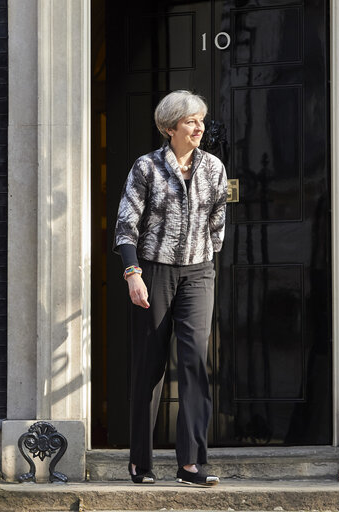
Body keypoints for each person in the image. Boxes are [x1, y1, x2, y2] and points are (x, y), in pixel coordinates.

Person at [113, 90, 228, 486]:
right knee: (150, 365)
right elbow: (126, 225)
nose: (199, 127)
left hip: (198, 272)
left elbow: (217, 222)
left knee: (195, 361)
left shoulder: (214, 168)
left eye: (201, 120)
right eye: (191, 121)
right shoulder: (145, 168)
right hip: (153, 272)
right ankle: (140, 462)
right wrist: (133, 273)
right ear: (169, 127)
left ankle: (192, 463)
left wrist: (204, 259)